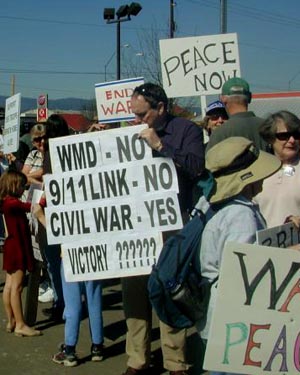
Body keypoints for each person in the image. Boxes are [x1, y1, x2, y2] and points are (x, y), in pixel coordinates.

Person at [121, 82, 205, 375]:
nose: (137, 121)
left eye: (142, 115)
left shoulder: (187, 131)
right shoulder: (129, 133)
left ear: (160, 108)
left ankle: (175, 361)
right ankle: (137, 359)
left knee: (169, 290)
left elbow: (197, 167)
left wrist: (161, 146)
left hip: (172, 226)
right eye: (133, 114)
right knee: (134, 294)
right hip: (136, 228)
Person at [195, 137, 281, 375]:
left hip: (214, 317)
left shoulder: (208, 203)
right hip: (235, 323)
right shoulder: (240, 215)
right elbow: (246, 274)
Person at [33, 204, 105, 367]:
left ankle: (70, 352)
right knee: (94, 301)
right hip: (94, 253)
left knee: (73, 305)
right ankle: (97, 347)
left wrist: (40, 216)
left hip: (71, 256)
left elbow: (58, 231)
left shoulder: (69, 198)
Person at [0, 170, 42, 337]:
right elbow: (32, 207)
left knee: (9, 286)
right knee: (17, 288)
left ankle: (11, 320)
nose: (24, 190)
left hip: (11, 247)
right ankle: (20, 324)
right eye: (22, 186)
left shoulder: (5, 202)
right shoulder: (13, 203)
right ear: (14, 185)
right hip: (17, 248)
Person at [38, 114, 70, 321]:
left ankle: (62, 304)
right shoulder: (68, 148)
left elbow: (49, 182)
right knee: (60, 263)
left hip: (52, 212)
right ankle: (65, 303)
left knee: (55, 263)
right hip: (65, 212)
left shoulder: (52, 152)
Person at [254, 110, 300, 228]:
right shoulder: (258, 171)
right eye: (284, 136)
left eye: (296, 135)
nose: (292, 140)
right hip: (265, 244)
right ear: (270, 139)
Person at [206, 77, 267, 152]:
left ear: (223, 99)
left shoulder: (220, 133)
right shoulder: (268, 127)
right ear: (250, 97)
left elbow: (210, 162)